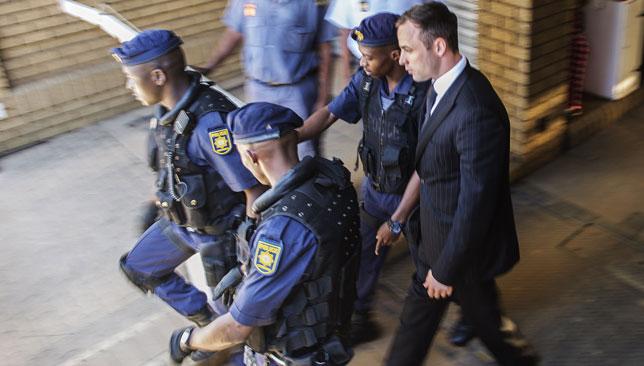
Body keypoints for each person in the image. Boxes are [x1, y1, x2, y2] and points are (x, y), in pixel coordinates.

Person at [382, 3, 538, 365]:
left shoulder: (475, 109)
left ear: (438, 46)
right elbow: (429, 163)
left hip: (457, 254)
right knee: (466, 322)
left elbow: (476, 202)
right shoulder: (435, 88)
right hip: (433, 242)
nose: (401, 59)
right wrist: (401, 215)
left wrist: (445, 268)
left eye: (407, 49)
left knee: (481, 326)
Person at [112, 29, 266, 360]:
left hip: (221, 235)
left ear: (157, 75)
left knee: (241, 329)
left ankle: (225, 337)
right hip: (183, 223)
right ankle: (207, 323)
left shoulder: (210, 123)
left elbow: (254, 190)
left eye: (130, 79)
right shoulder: (165, 112)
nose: (128, 87)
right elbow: (172, 167)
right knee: (138, 266)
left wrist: (248, 251)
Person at [169, 102, 360, 366]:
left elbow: (237, 327)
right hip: (331, 332)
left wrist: (188, 340)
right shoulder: (331, 179)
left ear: (251, 157)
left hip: (293, 354)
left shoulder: (281, 230)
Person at [297, 12, 429, 344]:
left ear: (395, 55)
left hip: (417, 199)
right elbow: (330, 112)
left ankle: (472, 312)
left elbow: (429, 166)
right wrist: (294, 135)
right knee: (365, 252)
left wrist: (398, 221)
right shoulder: (366, 81)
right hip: (376, 190)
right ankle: (359, 316)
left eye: (369, 57)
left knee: (434, 263)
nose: (363, 63)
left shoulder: (425, 94)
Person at [196, 0, 336, 158]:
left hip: (297, 92)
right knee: (260, 148)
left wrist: (323, 97)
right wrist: (209, 66)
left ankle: (313, 182)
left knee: (304, 150)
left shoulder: (311, 4)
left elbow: (325, 49)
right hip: (258, 90)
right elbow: (234, 33)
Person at [325, 0, 424, 85]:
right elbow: (344, 32)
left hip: (407, 63)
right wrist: (346, 74)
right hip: (363, 61)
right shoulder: (362, 68)